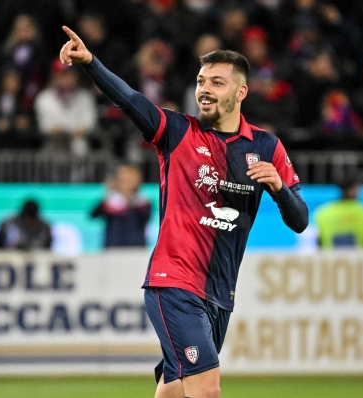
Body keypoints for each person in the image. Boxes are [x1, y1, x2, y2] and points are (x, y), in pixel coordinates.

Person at [60, 26, 308, 398]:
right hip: (173, 282)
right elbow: (130, 100)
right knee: (206, 390)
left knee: (173, 391)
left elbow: (300, 220)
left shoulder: (265, 146)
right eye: (201, 80)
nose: (204, 89)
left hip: (221, 294)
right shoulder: (177, 132)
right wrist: (90, 63)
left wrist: (278, 188)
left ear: (241, 92)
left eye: (217, 83)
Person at [91, 164, 152, 248]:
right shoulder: (111, 201)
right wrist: (108, 194)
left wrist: (128, 198)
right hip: (113, 248)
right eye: (122, 178)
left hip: (136, 249)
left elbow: (145, 218)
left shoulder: (142, 201)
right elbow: (93, 215)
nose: (125, 182)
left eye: (129, 179)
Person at [314, 175, 363, 248]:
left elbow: (319, 244)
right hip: (358, 258)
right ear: (353, 190)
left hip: (331, 258)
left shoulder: (323, 212)